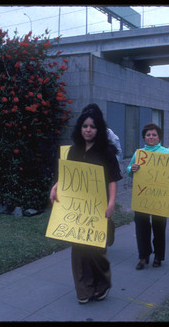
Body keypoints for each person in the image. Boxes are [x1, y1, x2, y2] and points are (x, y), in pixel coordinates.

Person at [49, 103, 122, 304]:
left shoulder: (107, 152)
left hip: (99, 207)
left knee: (96, 250)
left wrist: (111, 204)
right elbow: (67, 177)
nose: (88, 130)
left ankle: (103, 284)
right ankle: (84, 289)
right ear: (80, 128)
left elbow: (113, 180)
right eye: (85, 126)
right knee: (78, 249)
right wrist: (55, 187)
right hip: (77, 207)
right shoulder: (73, 151)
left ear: (98, 130)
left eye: (92, 126)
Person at [127, 123, 169, 269]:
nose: (151, 137)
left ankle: (158, 256)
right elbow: (129, 169)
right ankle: (143, 256)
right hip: (143, 196)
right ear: (144, 137)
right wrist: (132, 168)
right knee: (141, 227)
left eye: (154, 135)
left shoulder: (167, 153)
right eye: (148, 135)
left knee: (159, 227)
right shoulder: (139, 154)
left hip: (161, 199)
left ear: (159, 137)